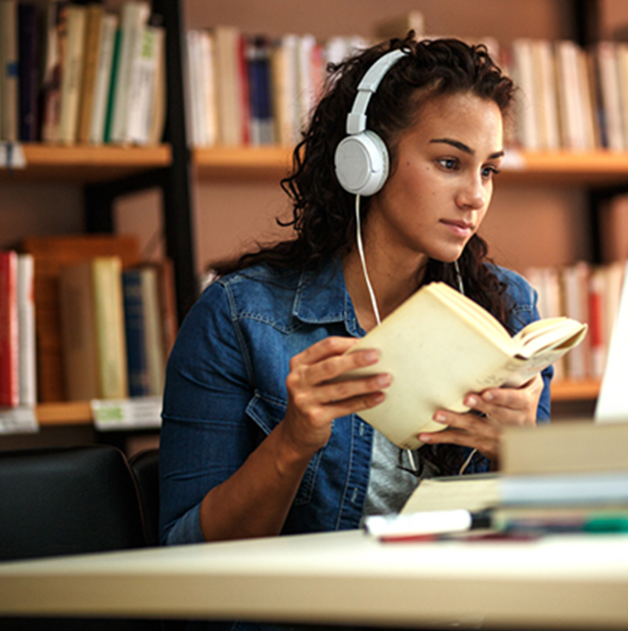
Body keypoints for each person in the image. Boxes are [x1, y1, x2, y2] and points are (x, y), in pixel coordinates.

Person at [159, 35, 552, 548]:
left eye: (488, 170)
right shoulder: (238, 318)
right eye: (449, 163)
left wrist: (521, 455)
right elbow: (186, 552)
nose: (475, 196)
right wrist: (293, 441)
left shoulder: (509, 309)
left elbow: (535, 539)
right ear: (367, 162)